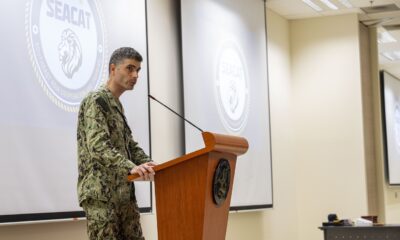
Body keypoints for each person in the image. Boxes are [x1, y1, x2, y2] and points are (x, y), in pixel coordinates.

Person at [77, 47, 156, 240]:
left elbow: (130, 146)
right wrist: (132, 168)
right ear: (113, 69)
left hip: (123, 196)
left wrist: (152, 164)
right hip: (102, 197)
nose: (135, 75)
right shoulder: (96, 100)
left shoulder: (116, 104)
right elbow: (98, 147)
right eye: (130, 68)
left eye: (138, 70)